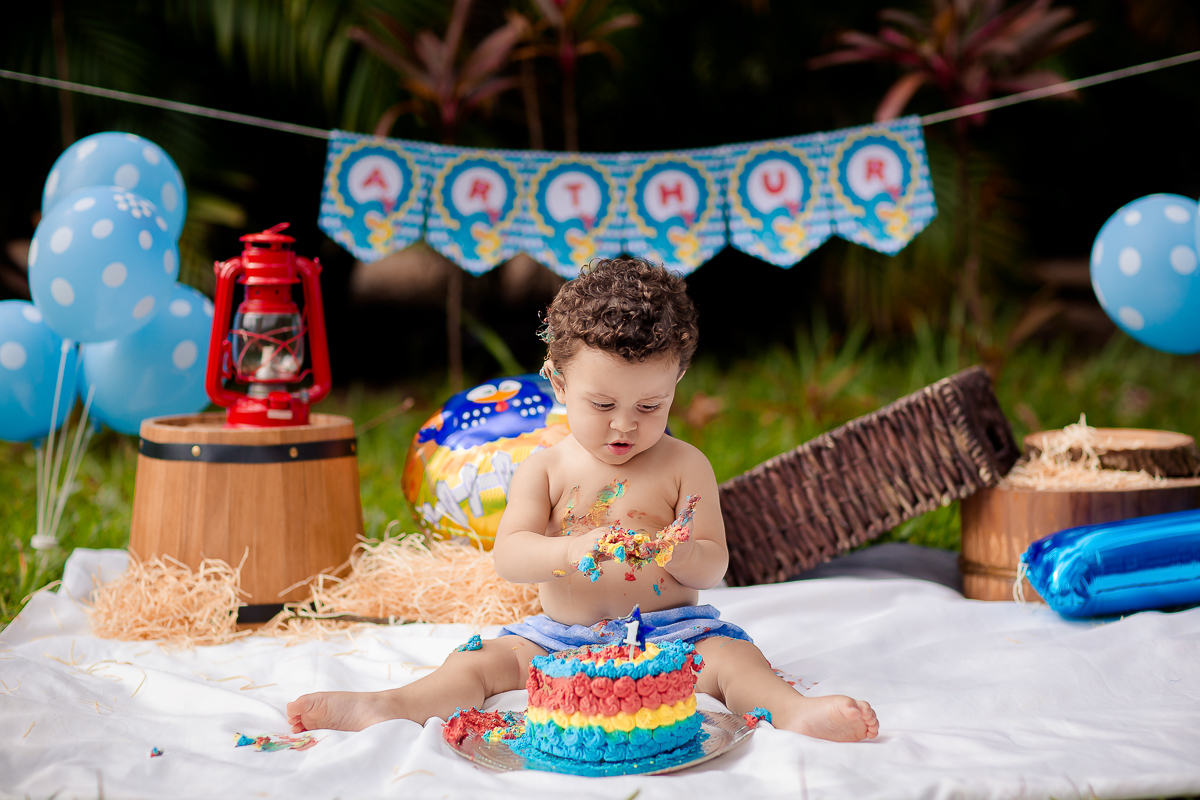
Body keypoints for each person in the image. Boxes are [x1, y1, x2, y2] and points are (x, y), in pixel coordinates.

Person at [286, 258, 878, 743]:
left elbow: (714, 562)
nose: (625, 426)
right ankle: (390, 704)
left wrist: (670, 553)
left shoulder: (684, 465)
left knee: (735, 663)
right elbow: (511, 555)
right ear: (560, 384)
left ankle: (794, 712)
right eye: (602, 405)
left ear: (675, 387)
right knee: (475, 665)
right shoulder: (545, 468)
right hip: (557, 639)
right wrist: (572, 549)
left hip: (673, 634)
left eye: (650, 408)